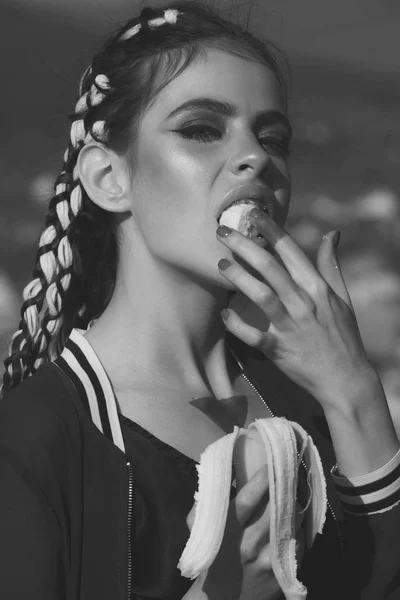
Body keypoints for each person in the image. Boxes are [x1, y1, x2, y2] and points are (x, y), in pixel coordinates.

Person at [0, 1, 399, 598]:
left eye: (273, 138)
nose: (258, 158)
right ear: (110, 178)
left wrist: (356, 391)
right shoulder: (36, 440)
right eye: (201, 129)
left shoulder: (309, 400)